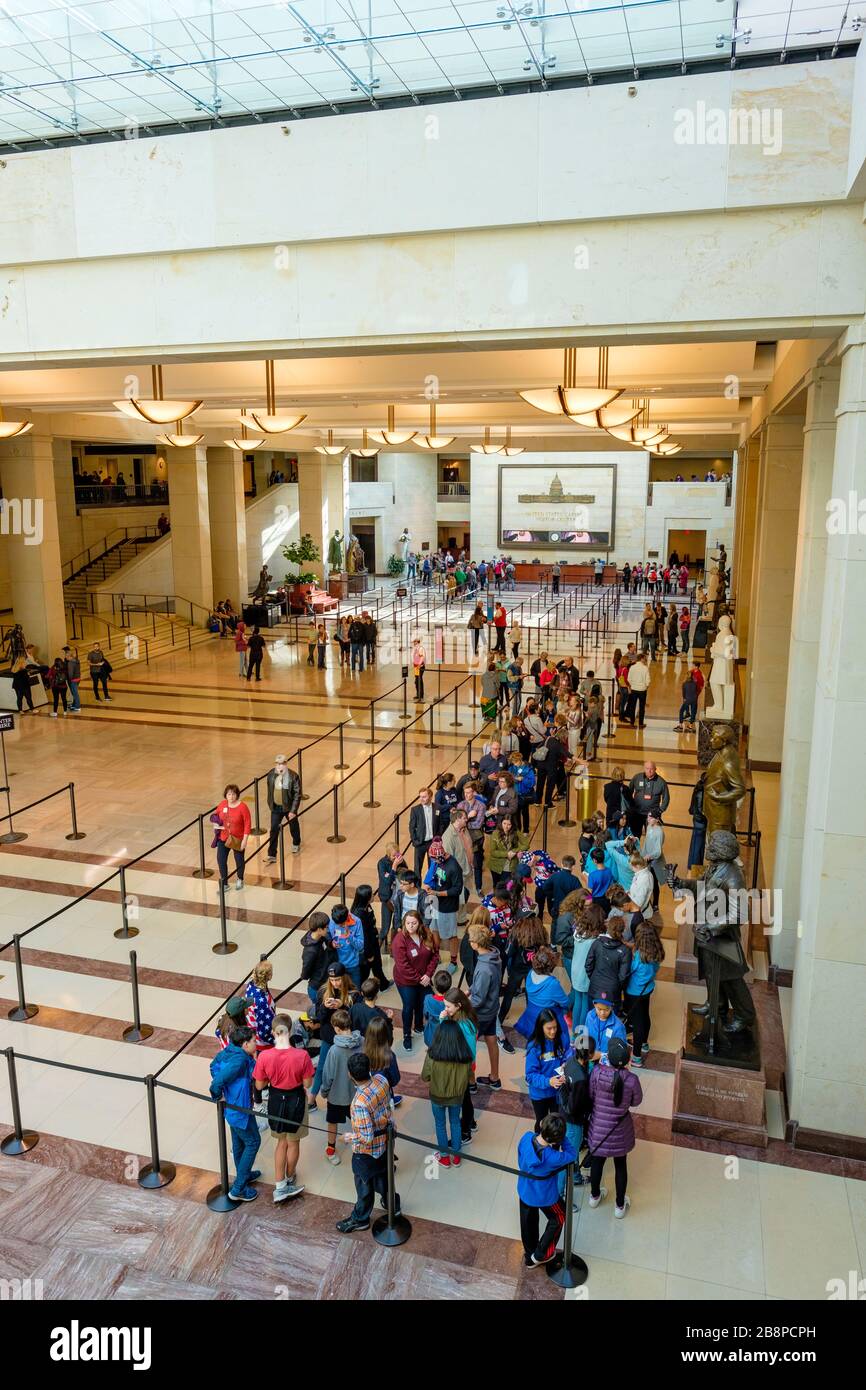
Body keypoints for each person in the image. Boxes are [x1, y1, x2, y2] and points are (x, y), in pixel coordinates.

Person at [252, 1013, 313, 1202]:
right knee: (293, 1142)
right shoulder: (302, 1055)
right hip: (296, 1099)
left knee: (281, 1142)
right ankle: (290, 1176)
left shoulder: (264, 1056)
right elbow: (308, 1083)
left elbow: (260, 1086)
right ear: (291, 1031)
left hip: (276, 1100)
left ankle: (279, 1186)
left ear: (272, 1032)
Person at [335, 1052, 398, 1234]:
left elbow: (366, 1136)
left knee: (364, 1184)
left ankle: (361, 1219)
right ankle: (392, 1204)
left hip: (366, 1153)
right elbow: (388, 1105)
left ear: (350, 1074)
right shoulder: (381, 1080)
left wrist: (347, 1137)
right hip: (386, 1142)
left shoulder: (359, 1103)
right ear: (369, 1068)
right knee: (385, 1177)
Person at [587, 1036, 642, 1218]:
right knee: (621, 1165)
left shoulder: (597, 1073)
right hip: (620, 1131)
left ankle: (594, 1197)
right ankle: (619, 1206)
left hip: (599, 1128)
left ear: (607, 1057)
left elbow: (592, 1094)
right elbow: (636, 1101)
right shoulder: (632, 1079)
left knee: (597, 1162)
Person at [209, 1023, 261, 1202]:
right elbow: (216, 1082)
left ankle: (243, 1175)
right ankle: (239, 1188)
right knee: (253, 1142)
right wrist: (218, 1096)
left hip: (235, 1108)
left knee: (239, 1143)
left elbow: (213, 1066)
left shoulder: (230, 1052)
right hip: (238, 1109)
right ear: (245, 1044)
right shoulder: (239, 1060)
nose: (257, 1043)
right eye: (254, 1041)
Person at [516, 1112, 575, 1267]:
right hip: (544, 1195)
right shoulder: (553, 1158)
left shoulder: (526, 1137)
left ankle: (530, 1257)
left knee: (528, 1224)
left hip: (525, 1189)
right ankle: (542, 1254)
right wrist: (562, 1138)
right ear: (557, 1138)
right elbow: (572, 1154)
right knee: (560, 1215)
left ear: (541, 1124)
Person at [421, 1017, 474, 1167]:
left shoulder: (432, 1055)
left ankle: (444, 1156)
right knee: (456, 1122)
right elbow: (470, 1076)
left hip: (437, 1096)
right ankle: (456, 1156)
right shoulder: (466, 1056)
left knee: (440, 1124)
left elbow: (425, 1077)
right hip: (457, 1097)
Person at [391, 907, 438, 1051]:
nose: (410, 926)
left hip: (424, 978)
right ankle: (406, 1034)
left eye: (414, 923)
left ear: (420, 923)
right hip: (406, 981)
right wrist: (420, 979)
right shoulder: (399, 940)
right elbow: (403, 966)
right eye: (408, 923)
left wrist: (429, 974)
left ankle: (418, 1026)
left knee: (424, 1003)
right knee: (409, 1006)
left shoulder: (427, 934)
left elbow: (435, 956)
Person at [310, 964, 358, 1104]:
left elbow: (355, 1018)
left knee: (350, 1069)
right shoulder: (323, 992)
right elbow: (319, 1018)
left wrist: (342, 1006)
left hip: (347, 1039)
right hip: (329, 1038)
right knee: (321, 1068)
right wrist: (325, 1007)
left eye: (338, 979)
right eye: (332, 980)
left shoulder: (353, 993)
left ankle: (354, 1100)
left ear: (344, 978)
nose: (335, 983)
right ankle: (312, 1099)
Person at [320, 1009, 362, 1164]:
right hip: (357, 1094)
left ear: (336, 1028)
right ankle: (361, 1146)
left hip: (336, 1095)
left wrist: (324, 1091)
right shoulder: (362, 1042)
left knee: (332, 1122)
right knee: (358, 1122)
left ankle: (331, 1149)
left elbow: (328, 1074)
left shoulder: (334, 1050)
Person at [468, 921, 502, 1088]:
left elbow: (478, 999)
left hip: (480, 1014)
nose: (469, 941)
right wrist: (470, 989)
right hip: (492, 1008)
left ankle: (471, 1082)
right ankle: (495, 1078)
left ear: (476, 943)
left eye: (470, 939)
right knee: (492, 1041)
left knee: (470, 1045)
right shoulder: (494, 955)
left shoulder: (483, 967)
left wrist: (462, 1004)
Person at [624, 922, 664, 1067]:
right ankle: (644, 1043)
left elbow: (630, 970)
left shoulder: (639, 957)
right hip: (647, 989)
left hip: (635, 992)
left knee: (637, 1023)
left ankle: (636, 1056)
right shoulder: (656, 951)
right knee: (645, 1016)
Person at [513, 942, 570, 1041]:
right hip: (547, 1017)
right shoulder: (552, 983)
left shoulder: (530, 974)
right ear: (551, 966)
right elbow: (565, 1002)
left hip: (531, 1015)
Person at [525, 1008, 569, 1131]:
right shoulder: (534, 1047)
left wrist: (566, 1065)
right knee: (542, 1123)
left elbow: (567, 1055)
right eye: (549, 1028)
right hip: (540, 1095)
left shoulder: (562, 1038)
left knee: (557, 1122)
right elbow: (530, 1075)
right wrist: (548, 1081)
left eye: (555, 1027)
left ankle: (554, 1146)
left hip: (557, 1093)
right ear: (541, 1027)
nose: (553, 1031)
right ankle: (540, 1146)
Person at [499, 911, 546, 1025]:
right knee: (531, 996)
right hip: (533, 969)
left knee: (509, 995)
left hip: (517, 970)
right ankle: (533, 1022)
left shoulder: (516, 934)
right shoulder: (540, 931)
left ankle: (500, 1019)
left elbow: (508, 953)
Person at [425, 837, 463, 971]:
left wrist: (437, 893)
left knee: (451, 934)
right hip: (435, 902)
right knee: (434, 928)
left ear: (441, 856)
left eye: (434, 859)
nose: (433, 862)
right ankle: (436, 955)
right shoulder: (437, 862)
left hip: (448, 906)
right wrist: (430, 888)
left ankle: (453, 962)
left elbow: (457, 889)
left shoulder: (453, 866)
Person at [585, 917, 631, 1010]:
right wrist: (615, 985)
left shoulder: (597, 943)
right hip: (613, 991)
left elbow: (588, 965)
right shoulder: (625, 951)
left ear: (608, 927)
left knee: (593, 1017)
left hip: (595, 987)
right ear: (623, 930)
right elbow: (623, 976)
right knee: (611, 1021)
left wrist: (594, 978)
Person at [264, 752, 302, 862]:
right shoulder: (271, 774)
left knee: (293, 826)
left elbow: (297, 794)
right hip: (276, 808)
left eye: (282, 763)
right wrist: (270, 803)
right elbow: (270, 790)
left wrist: (293, 810)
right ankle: (272, 854)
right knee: (274, 829)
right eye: (278, 763)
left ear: (286, 763)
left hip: (289, 808)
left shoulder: (293, 776)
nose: (280, 766)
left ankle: (296, 842)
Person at [351, 884, 389, 990]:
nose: (373, 895)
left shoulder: (366, 906)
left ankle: (383, 984)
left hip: (373, 942)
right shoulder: (359, 914)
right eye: (371, 894)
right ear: (366, 898)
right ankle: (359, 991)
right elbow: (364, 937)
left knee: (377, 966)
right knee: (365, 972)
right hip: (367, 948)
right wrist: (369, 954)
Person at [214, 783, 251, 892]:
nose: (231, 796)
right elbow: (215, 816)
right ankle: (224, 883)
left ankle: (240, 878)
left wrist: (245, 839)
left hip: (238, 838)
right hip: (223, 837)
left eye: (234, 794)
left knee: (239, 860)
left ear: (237, 795)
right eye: (229, 794)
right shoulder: (222, 804)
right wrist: (215, 824)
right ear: (226, 795)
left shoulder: (242, 807)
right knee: (221, 859)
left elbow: (248, 823)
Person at [363, 1013, 402, 1106]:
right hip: (384, 1092)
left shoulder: (362, 1050)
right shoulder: (390, 1056)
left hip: (367, 1092)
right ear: (385, 1034)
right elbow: (395, 1079)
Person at [300, 911, 336, 1004]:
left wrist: (331, 944)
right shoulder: (310, 951)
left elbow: (327, 942)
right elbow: (306, 970)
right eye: (327, 928)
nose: (328, 930)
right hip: (317, 986)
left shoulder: (321, 937)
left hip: (325, 979)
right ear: (319, 929)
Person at [328, 903, 365, 989]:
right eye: (337, 924)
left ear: (347, 917)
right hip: (337, 964)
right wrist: (331, 943)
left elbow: (360, 946)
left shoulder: (357, 922)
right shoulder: (332, 921)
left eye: (341, 924)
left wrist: (350, 936)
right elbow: (327, 936)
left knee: (356, 990)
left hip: (353, 965)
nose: (339, 926)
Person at [486, 814, 528, 888]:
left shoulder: (516, 832)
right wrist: (507, 854)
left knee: (507, 887)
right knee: (496, 886)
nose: (506, 826)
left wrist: (514, 851)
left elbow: (526, 845)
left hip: (510, 865)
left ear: (512, 825)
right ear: (501, 823)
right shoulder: (495, 833)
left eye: (509, 824)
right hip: (496, 865)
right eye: (504, 823)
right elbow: (493, 852)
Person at [583, 994, 627, 1063]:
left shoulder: (618, 1026)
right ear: (594, 1005)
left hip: (608, 1063)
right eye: (599, 1009)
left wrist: (602, 1055)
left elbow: (621, 1051)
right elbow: (585, 1036)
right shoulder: (589, 1017)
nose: (602, 1013)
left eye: (606, 1009)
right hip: (590, 1058)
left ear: (611, 1007)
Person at [243, 959, 276, 1050]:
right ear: (269, 976)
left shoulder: (252, 985)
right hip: (263, 1044)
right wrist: (277, 1040)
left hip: (253, 1033)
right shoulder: (262, 1003)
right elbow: (264, 1031)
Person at [376, 841, 405, 943]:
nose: (395, 857)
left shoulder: (401, 861)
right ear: (388, 854)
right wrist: (394, 867)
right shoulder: (382, 863)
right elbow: (387, 881)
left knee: (396, 926)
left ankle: (393, 948)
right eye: (393, 855)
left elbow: (405, 876)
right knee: (385, 928)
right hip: (387, 899)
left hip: (398, 898)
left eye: (397, 854)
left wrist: (399, 865)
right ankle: (378, 947)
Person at [628, 760, 670, 830]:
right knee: (635, 834)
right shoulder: (637, 778)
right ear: (644, 769)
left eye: (651, 769)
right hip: (637, 813)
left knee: (651, 836)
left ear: (655, 769)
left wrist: (660, 810)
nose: (649, 771)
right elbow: (629, 792)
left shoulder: (661, 782)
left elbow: (666, 798)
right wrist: (631, 806)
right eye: (647, 768)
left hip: (652, 816)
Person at [540, 854, 581, 923]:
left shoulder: (555, 876)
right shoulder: (575, 879)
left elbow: (544, 887)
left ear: (561, 864)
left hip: (556, 906)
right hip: (569, 908)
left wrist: (552, 895)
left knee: (554, 927)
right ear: (573, 866)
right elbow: (581, 893)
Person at [409, 786, 436, 878]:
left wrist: (438, 838)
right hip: (420, 843)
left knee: (432, 866)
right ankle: (417, 888)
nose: (421, 799)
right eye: (420, 796)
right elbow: (411, 827)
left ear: (430, 796)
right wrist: (415, 841)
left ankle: (431, 886)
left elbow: (440, 824)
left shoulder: (437, 807)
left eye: (424, 797)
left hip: (432, 843)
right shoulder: (415, 810)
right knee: (417, 868)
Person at [422, 967, 454, 1045]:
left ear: (435, 985)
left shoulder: (428, 999)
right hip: (446, 1035)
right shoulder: (451, 1002)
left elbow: (425, 1015)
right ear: (449, 986)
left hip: (431, 1034)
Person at [642, 811, 666, 909]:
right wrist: (642, 855)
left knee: (654, 884)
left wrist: (649, 856)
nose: (648, 819)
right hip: (647, 861)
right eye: (648, 817)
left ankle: (655, 904)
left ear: (656, 819)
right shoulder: (649, 827)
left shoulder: (659, 832)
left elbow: (658, 851)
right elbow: (646, 844)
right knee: (647, 882)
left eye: (650, 818)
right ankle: (647, 903)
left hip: (655, 863)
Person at [624, 652, 650, 727]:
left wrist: (633, 685)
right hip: (642, 690)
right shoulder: (645, 668)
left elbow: (629, 679)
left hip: (634, 689)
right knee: (642, 707)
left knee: (633, 706)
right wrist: (646, 687)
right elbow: (648, 680)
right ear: (641, 659)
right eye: (645, 659)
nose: (645, 660)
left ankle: (632, 722)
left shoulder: (632, 667)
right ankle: (641, 723)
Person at [674, 666, 700, 732]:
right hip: (694, 699)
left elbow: (684, 693)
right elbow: (697, 690)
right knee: (693, 712)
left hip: (687, 699)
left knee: (681, 711)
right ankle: (690, 726)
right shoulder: (695, 683)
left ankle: (680, 726)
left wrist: (685, 699)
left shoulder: (684, 684)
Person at [62, 646, 81, 712]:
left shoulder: (70, 663)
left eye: (66, 656)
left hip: (73, 680)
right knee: (74, 693)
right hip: (78, 678)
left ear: (69, 656)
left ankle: (77, 706)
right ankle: (74, 705)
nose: (66, 658)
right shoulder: (77, 660)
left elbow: (70, 674)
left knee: (75, 693)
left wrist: (68, 679)